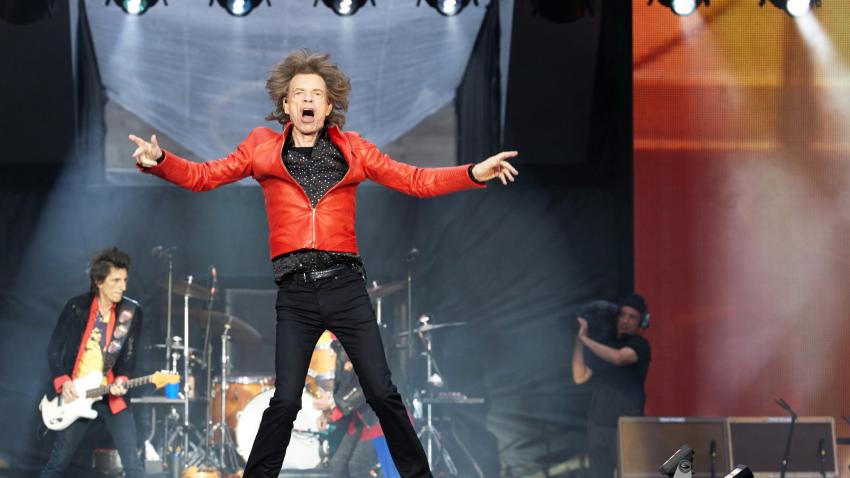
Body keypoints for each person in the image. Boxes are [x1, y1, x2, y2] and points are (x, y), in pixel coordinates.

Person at [129, 49, 518, 478]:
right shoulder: (262, 148)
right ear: (286, 104)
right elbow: (204, 176)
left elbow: (415, 180)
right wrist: (161, 162)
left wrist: (472, 173)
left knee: (382, 392)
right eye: (299, 93)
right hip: (295, 292)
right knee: (285, 400)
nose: (308, 100)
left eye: (316, 93)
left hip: (344, 286)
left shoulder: (355, 150)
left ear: (329, 105)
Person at [40, 247, 145, 478]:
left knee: (134, 467)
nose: (123, 286)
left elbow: (129, 355)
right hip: (78, 394)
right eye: (116, 280)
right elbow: (54, 349)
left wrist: (122, 379)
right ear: (99, 281)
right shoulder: (76, 307)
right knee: (57, 464)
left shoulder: (131, 312)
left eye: (125, 280)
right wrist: (64, 381)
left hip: (112, 394)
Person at [572, 293, 652, 478]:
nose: (625, 321)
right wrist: (578, 340)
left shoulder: (640, 345)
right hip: (598, 425)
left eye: (632, 317)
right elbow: (580, 376)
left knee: (630, 474)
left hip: (626, 427)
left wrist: (586, 340)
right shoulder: (606, 345)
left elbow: (619, 358)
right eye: (623, 315)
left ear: (641, 323)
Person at [313, 336, 396, 478]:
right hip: (361, 416)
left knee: (358, 466)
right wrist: (328, 413)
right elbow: (343, 388)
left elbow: (369, 384)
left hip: (382, 415)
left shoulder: (370, 337)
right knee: (338, 465)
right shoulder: (339, 346)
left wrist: (334, 404)